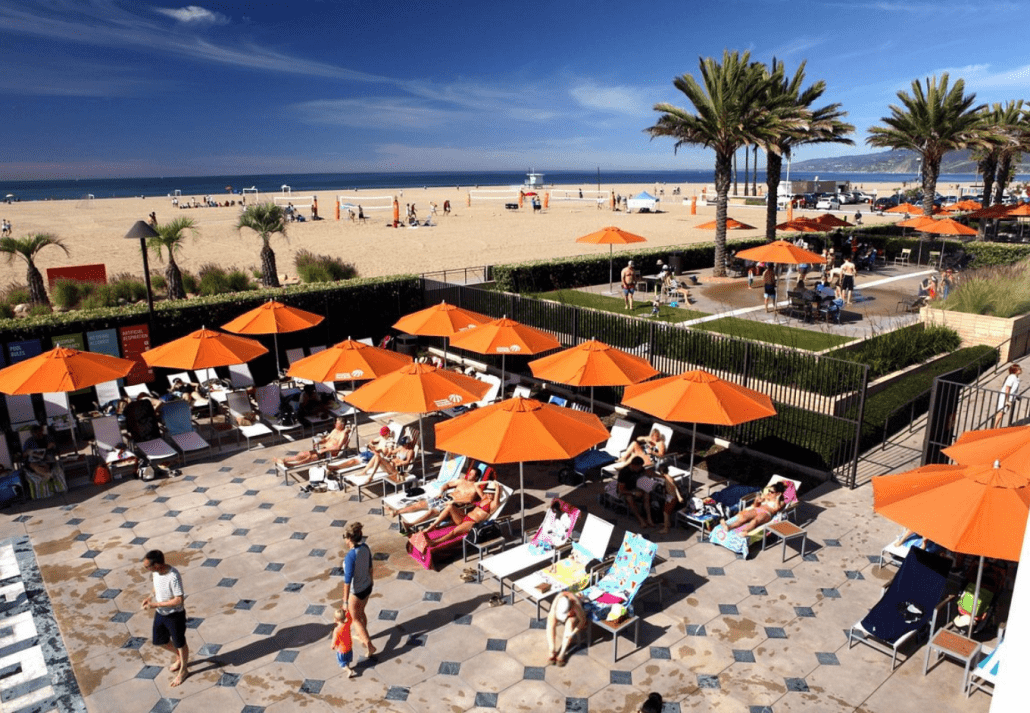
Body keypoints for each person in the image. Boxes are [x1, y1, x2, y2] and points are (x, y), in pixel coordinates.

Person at [141, 549, 189, 687]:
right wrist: (150, 597)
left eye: (147, 567)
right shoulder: (156, 573)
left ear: (157, 565)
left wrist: (155, 604)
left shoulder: (173, 576)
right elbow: (156, 587)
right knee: (159, 641)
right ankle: (179, 656)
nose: (146, 569)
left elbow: (178, 599)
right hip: (161, 613)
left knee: (180, 643)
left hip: (175, 615)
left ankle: (184, 670)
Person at [385, 476, 491, 525]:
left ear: (476, 477)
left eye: (472, 474)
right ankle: (396, 512)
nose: (469, 475)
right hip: (445, 496)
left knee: (432, 512)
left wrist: (453, 502)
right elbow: (448, 484)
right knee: (421, 504)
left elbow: (469, 500)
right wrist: (442, 490)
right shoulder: (462, 481)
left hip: (453, 502)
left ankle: (412, 524)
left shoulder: (475, 488)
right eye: (470, 472)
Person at [342, 522, 376, 659]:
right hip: (368, 587)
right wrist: (371, 582)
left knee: (355, 619)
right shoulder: (365, 548)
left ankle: (369, 645)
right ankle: (364, 634)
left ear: (349, 539)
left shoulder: (350, 556)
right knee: (361, 612)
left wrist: (345, 601)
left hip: (356, 591)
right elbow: (370, 568)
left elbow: (347, 581)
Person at [276, 418, 351, 469]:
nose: (335, 425)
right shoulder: (334, 430)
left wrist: (325, 450)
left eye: (337, 424)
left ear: (342, 425)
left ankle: (292, 465)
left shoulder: (343, 435)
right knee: (303, 453)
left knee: (310, 458)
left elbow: (338, 447)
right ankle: (285, 460)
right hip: (323, 450)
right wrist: (320, 441)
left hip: (330, 453)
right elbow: (326, 439)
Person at [718, 482, 787, 535]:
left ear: (778, 493)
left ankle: (744, 532)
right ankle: (729, 527)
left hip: (766, 513)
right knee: (744, 518)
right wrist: (757, 501)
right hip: (757, 509)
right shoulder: (766, 496)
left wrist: (777, 498)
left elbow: (775, 510)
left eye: (772, 492)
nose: (769, 493)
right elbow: (755, 505)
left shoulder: (781, 502)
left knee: (755, 521)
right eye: (769, 491)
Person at [22, 425, 68, 498]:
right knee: (34, 465)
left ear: (42, 431)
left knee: (45, 466)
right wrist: (28, 452)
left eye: (39, 432)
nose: (37, 434)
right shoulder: (29, 441)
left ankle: (46, 474)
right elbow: (23, 455)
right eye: (35, 433)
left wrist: (53, 446)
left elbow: (57, 450)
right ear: (32, 433)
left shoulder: (48, 438)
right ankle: (48, 474)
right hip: (34, 461)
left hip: (47, 459)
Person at [327, 425, 395, 473]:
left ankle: (336, 467)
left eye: (383, 434)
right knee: (353, 459)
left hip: (374, 456)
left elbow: (386, 454)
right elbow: (373, 441)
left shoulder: (389, 443)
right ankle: (336, 466)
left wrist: (376, 448)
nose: (381, 436)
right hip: (370, 452)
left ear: (387, 434)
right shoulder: (382, 438)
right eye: (381, 434)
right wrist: (371, 443)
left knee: (354, 461)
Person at [545, 591, 587, 667]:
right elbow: (551, 614)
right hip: (558, 611)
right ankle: (552, 650)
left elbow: (583, 620)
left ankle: (562, 653)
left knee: (571, 623)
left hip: (572, 616)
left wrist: (573, 633)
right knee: (550, 620)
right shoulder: (557, 600)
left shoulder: (576, 605)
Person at [617, 457, 655, 529]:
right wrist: (633, 493)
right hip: (625, 491)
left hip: (635, 488)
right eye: (639, 467)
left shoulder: (639, 469)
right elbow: (621, 490)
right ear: (634, 465)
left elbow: (646, 473)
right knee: (629, 499)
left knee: (647, 494)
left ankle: (649, 518)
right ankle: (640, 519)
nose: (640, 468)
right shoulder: (624, 472)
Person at [654, 463, 685, 535]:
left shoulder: (668, 478)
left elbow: (675, 487)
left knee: (666, 513)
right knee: (665, 511)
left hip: (672, 498)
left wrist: (679, 497)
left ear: (661, 472)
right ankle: (667, 524)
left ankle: (665, 529)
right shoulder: (667, 477)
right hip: (669, 497)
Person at [331, 607, 357, 678]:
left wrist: (333, 646)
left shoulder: (337, 630)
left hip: (341, 650)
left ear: (335, 619)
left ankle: (348, 670)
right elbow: (350, 618)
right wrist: (347, 612)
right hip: (349, 647)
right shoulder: (347, 624)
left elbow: (335, 639)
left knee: (342, 664)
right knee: (347, 660)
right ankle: (348, 667)